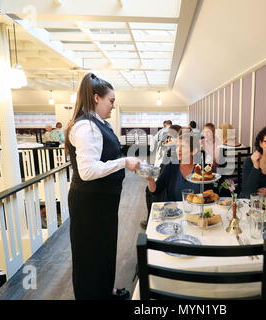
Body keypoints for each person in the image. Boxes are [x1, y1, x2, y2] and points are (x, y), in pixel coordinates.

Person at [65, 72, 141, 300]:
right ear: (96, 98)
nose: (113, 106)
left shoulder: (97, 124)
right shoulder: (85, 127)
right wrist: (124, 162)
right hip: (90, 203)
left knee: (104, 249)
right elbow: (88, 171)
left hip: (102, 201)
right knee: (91, 253)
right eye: (111, 101)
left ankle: (104, 290)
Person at [147, 133, 202, 202]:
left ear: (194, 151)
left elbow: (209, 194)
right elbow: (156, 190)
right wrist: (151, 180)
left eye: (183, 146)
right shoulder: (171, 166)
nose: (179, 150)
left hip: (198, 210)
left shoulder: (201, 168)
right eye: (178, 146)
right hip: (175, 211)